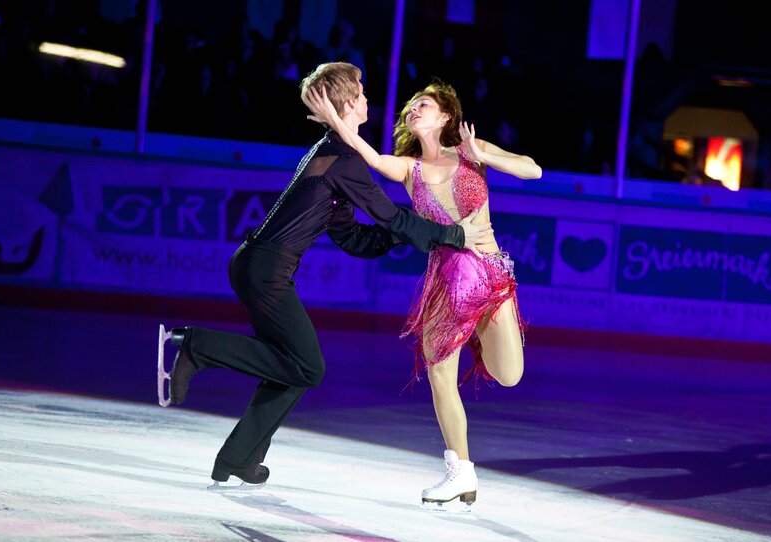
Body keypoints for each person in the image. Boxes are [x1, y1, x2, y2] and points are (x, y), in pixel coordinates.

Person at [159, 63, 493, 488]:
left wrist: (400, 234)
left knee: (291, 365)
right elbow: (390, 217)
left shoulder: (332, 153)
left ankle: (239, 457)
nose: (369, 98)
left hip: (260, 266)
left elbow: (354, 238)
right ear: (349, 103)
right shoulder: (343, 159)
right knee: (308, 367)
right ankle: (196, 346)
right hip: (266, 270)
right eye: (362, 91)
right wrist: (453, 235)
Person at [304, 80, 542, 509]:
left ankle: (480, 344)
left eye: (424, 103)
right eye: (411, 105)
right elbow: (370, 155)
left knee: (509, 375)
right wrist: (337, 119)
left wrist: (484, 154)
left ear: (446, 115)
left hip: (488, 276)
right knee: (438, 373)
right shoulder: (409, 169)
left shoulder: (471, 152)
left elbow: (533, 169)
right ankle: (460, 471)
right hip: (445, 280)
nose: (413, 109)